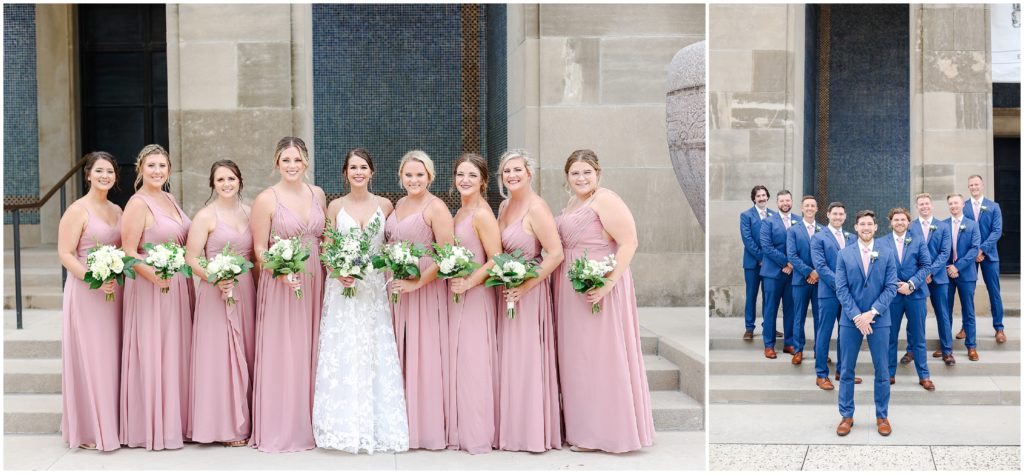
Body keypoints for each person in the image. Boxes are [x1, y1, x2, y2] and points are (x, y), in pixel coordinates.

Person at [553, 150, 654, 453]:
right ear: (567, 177)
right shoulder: (574, 202)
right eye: (575, 173)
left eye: (587, 172)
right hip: (570, 288)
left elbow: (629, 242)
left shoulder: (605, 199)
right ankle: (582, 427)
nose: (581, 178)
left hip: (598, 285)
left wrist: (608, 284)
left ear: (598, 173)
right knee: (577, 359)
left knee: (599, 357)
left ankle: (606, 431)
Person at [313, 148, 409, 454]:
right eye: (353, 167)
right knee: (344, 351)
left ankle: (376, 426)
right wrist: (338, 271)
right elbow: (326, 248)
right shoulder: (334, 206)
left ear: (372, 172)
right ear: (345, 173)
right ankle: (342, 427)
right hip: (343, 289)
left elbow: (392, 246)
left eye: (363, 167)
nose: (358, 172)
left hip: (374, 288)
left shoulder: (386, 205)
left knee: (374, 351)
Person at [249, 137, 327, 452]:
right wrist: (281, 271)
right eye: (286, 160)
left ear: (306, 162)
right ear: (276, 163)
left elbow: (326, 238)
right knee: (285, 348)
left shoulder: (317, 194)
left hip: (315, 280)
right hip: (283, 281)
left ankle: (313, 421)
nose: (292, 166)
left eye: (297, 160)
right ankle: (282, 426)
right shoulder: (267, 199)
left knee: (313, 346)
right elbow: (258, 249)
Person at [120, 144, 194, 450]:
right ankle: (152, 426)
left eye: (162, 165)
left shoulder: (170, 198)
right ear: (140, 169)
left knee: (175, 352)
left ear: (169, 169)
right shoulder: (137, 204)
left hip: (177, 286)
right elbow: (127, 252)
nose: (157, 171)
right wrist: (154, 276)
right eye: (151, 165)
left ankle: (176, 422)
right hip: (152, 288)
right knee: (155, 352)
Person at [384, 150, 454, 450]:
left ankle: (423, 428)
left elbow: (447, 254)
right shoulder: (398, 204)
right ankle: (399, 423)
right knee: (399, 354)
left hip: (423, 288)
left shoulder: (436, 207)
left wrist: (418, 283)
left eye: (420, 175)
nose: (414, 180)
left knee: (422, 354)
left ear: (430, 177)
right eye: (408, 175)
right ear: (401, 177)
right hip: (396, 287)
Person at [495, 149, 563, 452]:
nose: (511, 176)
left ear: (529, 173)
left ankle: (531, 432)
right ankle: (510, 429)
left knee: (526, 360)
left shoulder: (536, 208)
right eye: (507, 171)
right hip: (505, 290)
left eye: (517, 171)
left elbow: (555, 253)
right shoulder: (504, 206)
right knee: (508, 360)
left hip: (528, 293)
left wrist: (526, 286)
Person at [184, 160, 256, 446]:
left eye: (231, 178)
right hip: (214, 294)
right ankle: (222, 426)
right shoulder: (205, 216)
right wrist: (214, 277)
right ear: (212, 185)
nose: (226, 184)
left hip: (245, 291)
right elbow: (191, 258)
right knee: (220, 358)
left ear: (240, 180)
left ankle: (246, 421)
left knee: (245, 354)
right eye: (220, 180)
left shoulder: (251, 214)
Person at [57, 152, 124, 451]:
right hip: (87, 291)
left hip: (114, 290)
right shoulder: (77, 210)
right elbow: (65, 253)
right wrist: (91, 279)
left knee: (112, 357)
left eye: (109, 172)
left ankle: (114, 423)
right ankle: (89, 428)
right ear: (88, 175)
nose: (105, 176)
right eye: (99, 171)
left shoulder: (117, 209)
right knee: (93, 357)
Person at [446, 153, 500, 454]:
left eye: (471, 175)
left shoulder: (481, 213)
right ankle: (459, 428)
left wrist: (469, 282)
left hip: (476, 296)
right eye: (460, 175)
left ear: (483, 180)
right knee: (460, 363)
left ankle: (476, 433)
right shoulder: (459, 212)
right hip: (457, 296)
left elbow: (495, 259)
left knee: (474, 363)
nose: (465, 180)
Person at [834, 210, 898, 437]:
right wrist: (856, 316)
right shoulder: (844, 254)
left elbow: (891, 287)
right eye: (862, 224)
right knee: (846, 369)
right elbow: (841, 288)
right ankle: (846, 415)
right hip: (851, 321)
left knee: (882, 370)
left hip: (879, 320)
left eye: (870, 224)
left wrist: (871, 313)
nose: (866, 228)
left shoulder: (887, 253)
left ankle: (882, 416)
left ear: (876, 227)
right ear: (856, 227)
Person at [878, 208, 934, 391]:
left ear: (908, 222)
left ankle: (924, 375)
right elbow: (879, 269)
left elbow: (926, 266)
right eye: (896, 219)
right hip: (892, 297)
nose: (900, 222)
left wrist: (911, 284)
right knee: (890, 336)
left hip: (915, 295)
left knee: (918, 336)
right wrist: (894, 284)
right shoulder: (881, 242)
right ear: (891, 222)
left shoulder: (918, 241)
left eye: (903, 219)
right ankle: (889, 373)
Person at [810, 202, 860, 390]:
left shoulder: (852, 237)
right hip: (829, 294)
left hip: (848, 295)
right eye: (835, 214)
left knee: (845, 333)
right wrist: (840, 285)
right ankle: (821, 374)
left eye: (841, 214)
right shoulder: (818, 238)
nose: (838, 217)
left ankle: (843, 371)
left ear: (845, 216)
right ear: (828, 215)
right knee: (824, 333)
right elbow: (821, 267)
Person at [907, 194, 954, 365]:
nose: (924, 206)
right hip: (917, 279)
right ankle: (911, 350)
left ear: (931, 206)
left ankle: (947, 350)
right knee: (915, 315)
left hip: (938, 278)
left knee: (943, 313)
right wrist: (921, 274)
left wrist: (930, 271)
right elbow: (909, 253)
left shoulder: (943, 227)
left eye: (927, 203)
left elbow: (944, 253)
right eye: (921, 204)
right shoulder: (911, 227)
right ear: (917, 207)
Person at [962, 175, 1005, 343]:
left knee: (994, 292)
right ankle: (966, 326)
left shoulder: (994, 207)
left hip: (990, 256)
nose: (974, 187)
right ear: (969, 187)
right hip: (969, 257)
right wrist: (974, 252)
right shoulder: (963, 207)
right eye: (971, 185)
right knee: (967, 293)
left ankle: (999, 327)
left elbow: (997, 231)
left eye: (976, 184)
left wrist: (982, 250)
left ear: (982, 185)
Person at [944, 193, 982, 362]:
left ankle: (971, 346)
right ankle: (946, 346)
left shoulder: (972, 225)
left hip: (966, 273)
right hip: (946, 274)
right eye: (951, 203)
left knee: (969, 311)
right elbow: (941, 250)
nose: (954, 206)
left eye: (956, 203)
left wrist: (957, 267)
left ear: (963, 205)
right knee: (945, 311)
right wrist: (948, 268)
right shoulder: (943, 225)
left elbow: (974, 249)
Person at [759, 190, 796, 358]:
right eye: (782, 201)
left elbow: (802, 246)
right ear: (777, 203)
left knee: (791, 309)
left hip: (792, 275)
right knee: (770, 309)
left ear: (791, 201)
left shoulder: (799, 220)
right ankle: (769, 345)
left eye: (788, 200)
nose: (785, 203)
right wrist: (786, 262)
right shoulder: (768, 222)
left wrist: (793, 265)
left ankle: (789, 343)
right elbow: (767, 247)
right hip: (772, 274)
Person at [786, 195, 821, 365]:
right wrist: (809, 272)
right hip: (800, 280)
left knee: (819, 317)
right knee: (798, 316)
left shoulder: (823, 229)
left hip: (820, 282)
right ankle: (798, 350)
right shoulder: (793, 230)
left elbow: (826, 256)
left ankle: (819, 351)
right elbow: (792, 255)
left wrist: (818, 273)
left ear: (816, 209)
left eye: (812, 206)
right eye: (806, 205)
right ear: (801, 208)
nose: (809, 208)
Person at [740, 185, 773, 340]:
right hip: (752, 264)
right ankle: (749, 327)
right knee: (751, 295)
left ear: (767, 197)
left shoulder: (774, 215)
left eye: (764, 195)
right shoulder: (746, 215)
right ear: (754, 198)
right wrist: (761, 258)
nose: (761, 198)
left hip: (769, 265)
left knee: (769, 296)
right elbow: (747, 240)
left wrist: (767, 260)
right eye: (758, 196)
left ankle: (768, 325)